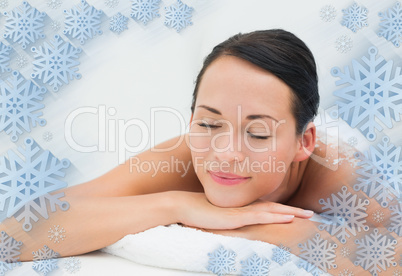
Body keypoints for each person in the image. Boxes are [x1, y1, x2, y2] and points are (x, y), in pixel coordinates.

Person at [1, 29, 389, 275]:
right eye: (208, 123)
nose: (225, 153)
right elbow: (14, 235)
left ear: (303, 143)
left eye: (257, 133)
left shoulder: (344, 178)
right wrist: (178, 206)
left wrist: (256, 224)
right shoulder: (182, 158)